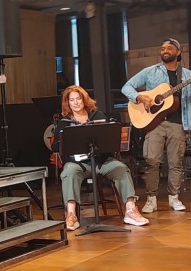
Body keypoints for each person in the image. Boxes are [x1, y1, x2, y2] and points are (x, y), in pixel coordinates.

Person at [121, 38, 191, 213]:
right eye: (162, 48)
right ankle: (151, 199)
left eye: (169, 48)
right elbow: (126, 87)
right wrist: (139, 97)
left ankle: (174, 198)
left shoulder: (188, 75)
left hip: (177, 122)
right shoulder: (150, 71)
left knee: (176, 163)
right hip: (154, 123)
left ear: (178, 52)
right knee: (152, 162)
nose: (164, 50)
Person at [53, 86, 148, 230]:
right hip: (78, 164)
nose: (76, 102)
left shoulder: (98, 116)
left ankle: (130, 210)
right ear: (67, 103)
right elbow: (55, 147)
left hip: (101, 161)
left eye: (78, 99)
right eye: (71, 100)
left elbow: (111, 141)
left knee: (121, 168)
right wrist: (63, 139)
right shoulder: (64, 122)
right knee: (68, 172)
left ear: (84, 100)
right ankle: (71, 214)